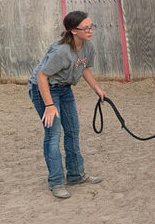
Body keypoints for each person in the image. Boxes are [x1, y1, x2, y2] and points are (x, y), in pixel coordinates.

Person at [28, 11, 106, 199]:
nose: (90, 31)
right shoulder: (61, 51)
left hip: (64, 89)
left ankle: (76, 175)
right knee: (53, 135)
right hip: (44, 89)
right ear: (73, 31)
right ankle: (56, 182)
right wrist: (49, 105)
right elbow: (41, 76)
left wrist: (97, 89)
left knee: (72, 131)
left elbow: (84, 66)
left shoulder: (88, 47)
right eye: (85, 28)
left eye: (91, 26)